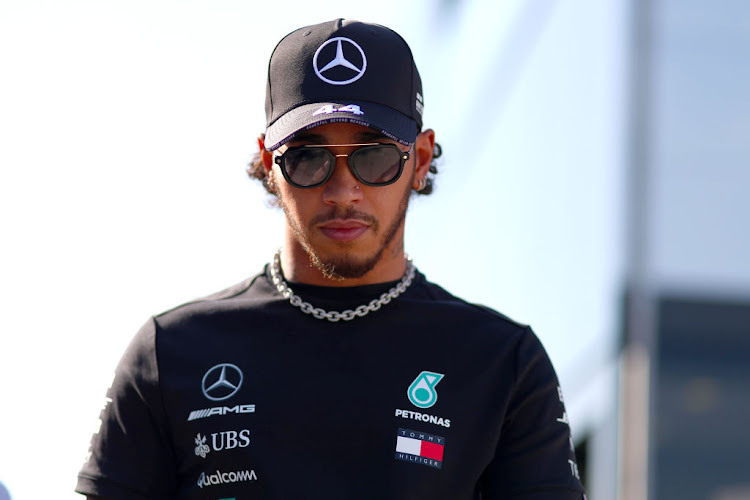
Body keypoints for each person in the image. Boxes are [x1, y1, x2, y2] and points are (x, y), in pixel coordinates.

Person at [76, 18, 586, 500]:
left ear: (421, 160)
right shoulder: (169, 352)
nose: (345, 190)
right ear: (270, 163)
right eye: (308, 157)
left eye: (375, 156)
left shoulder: (503, 363)